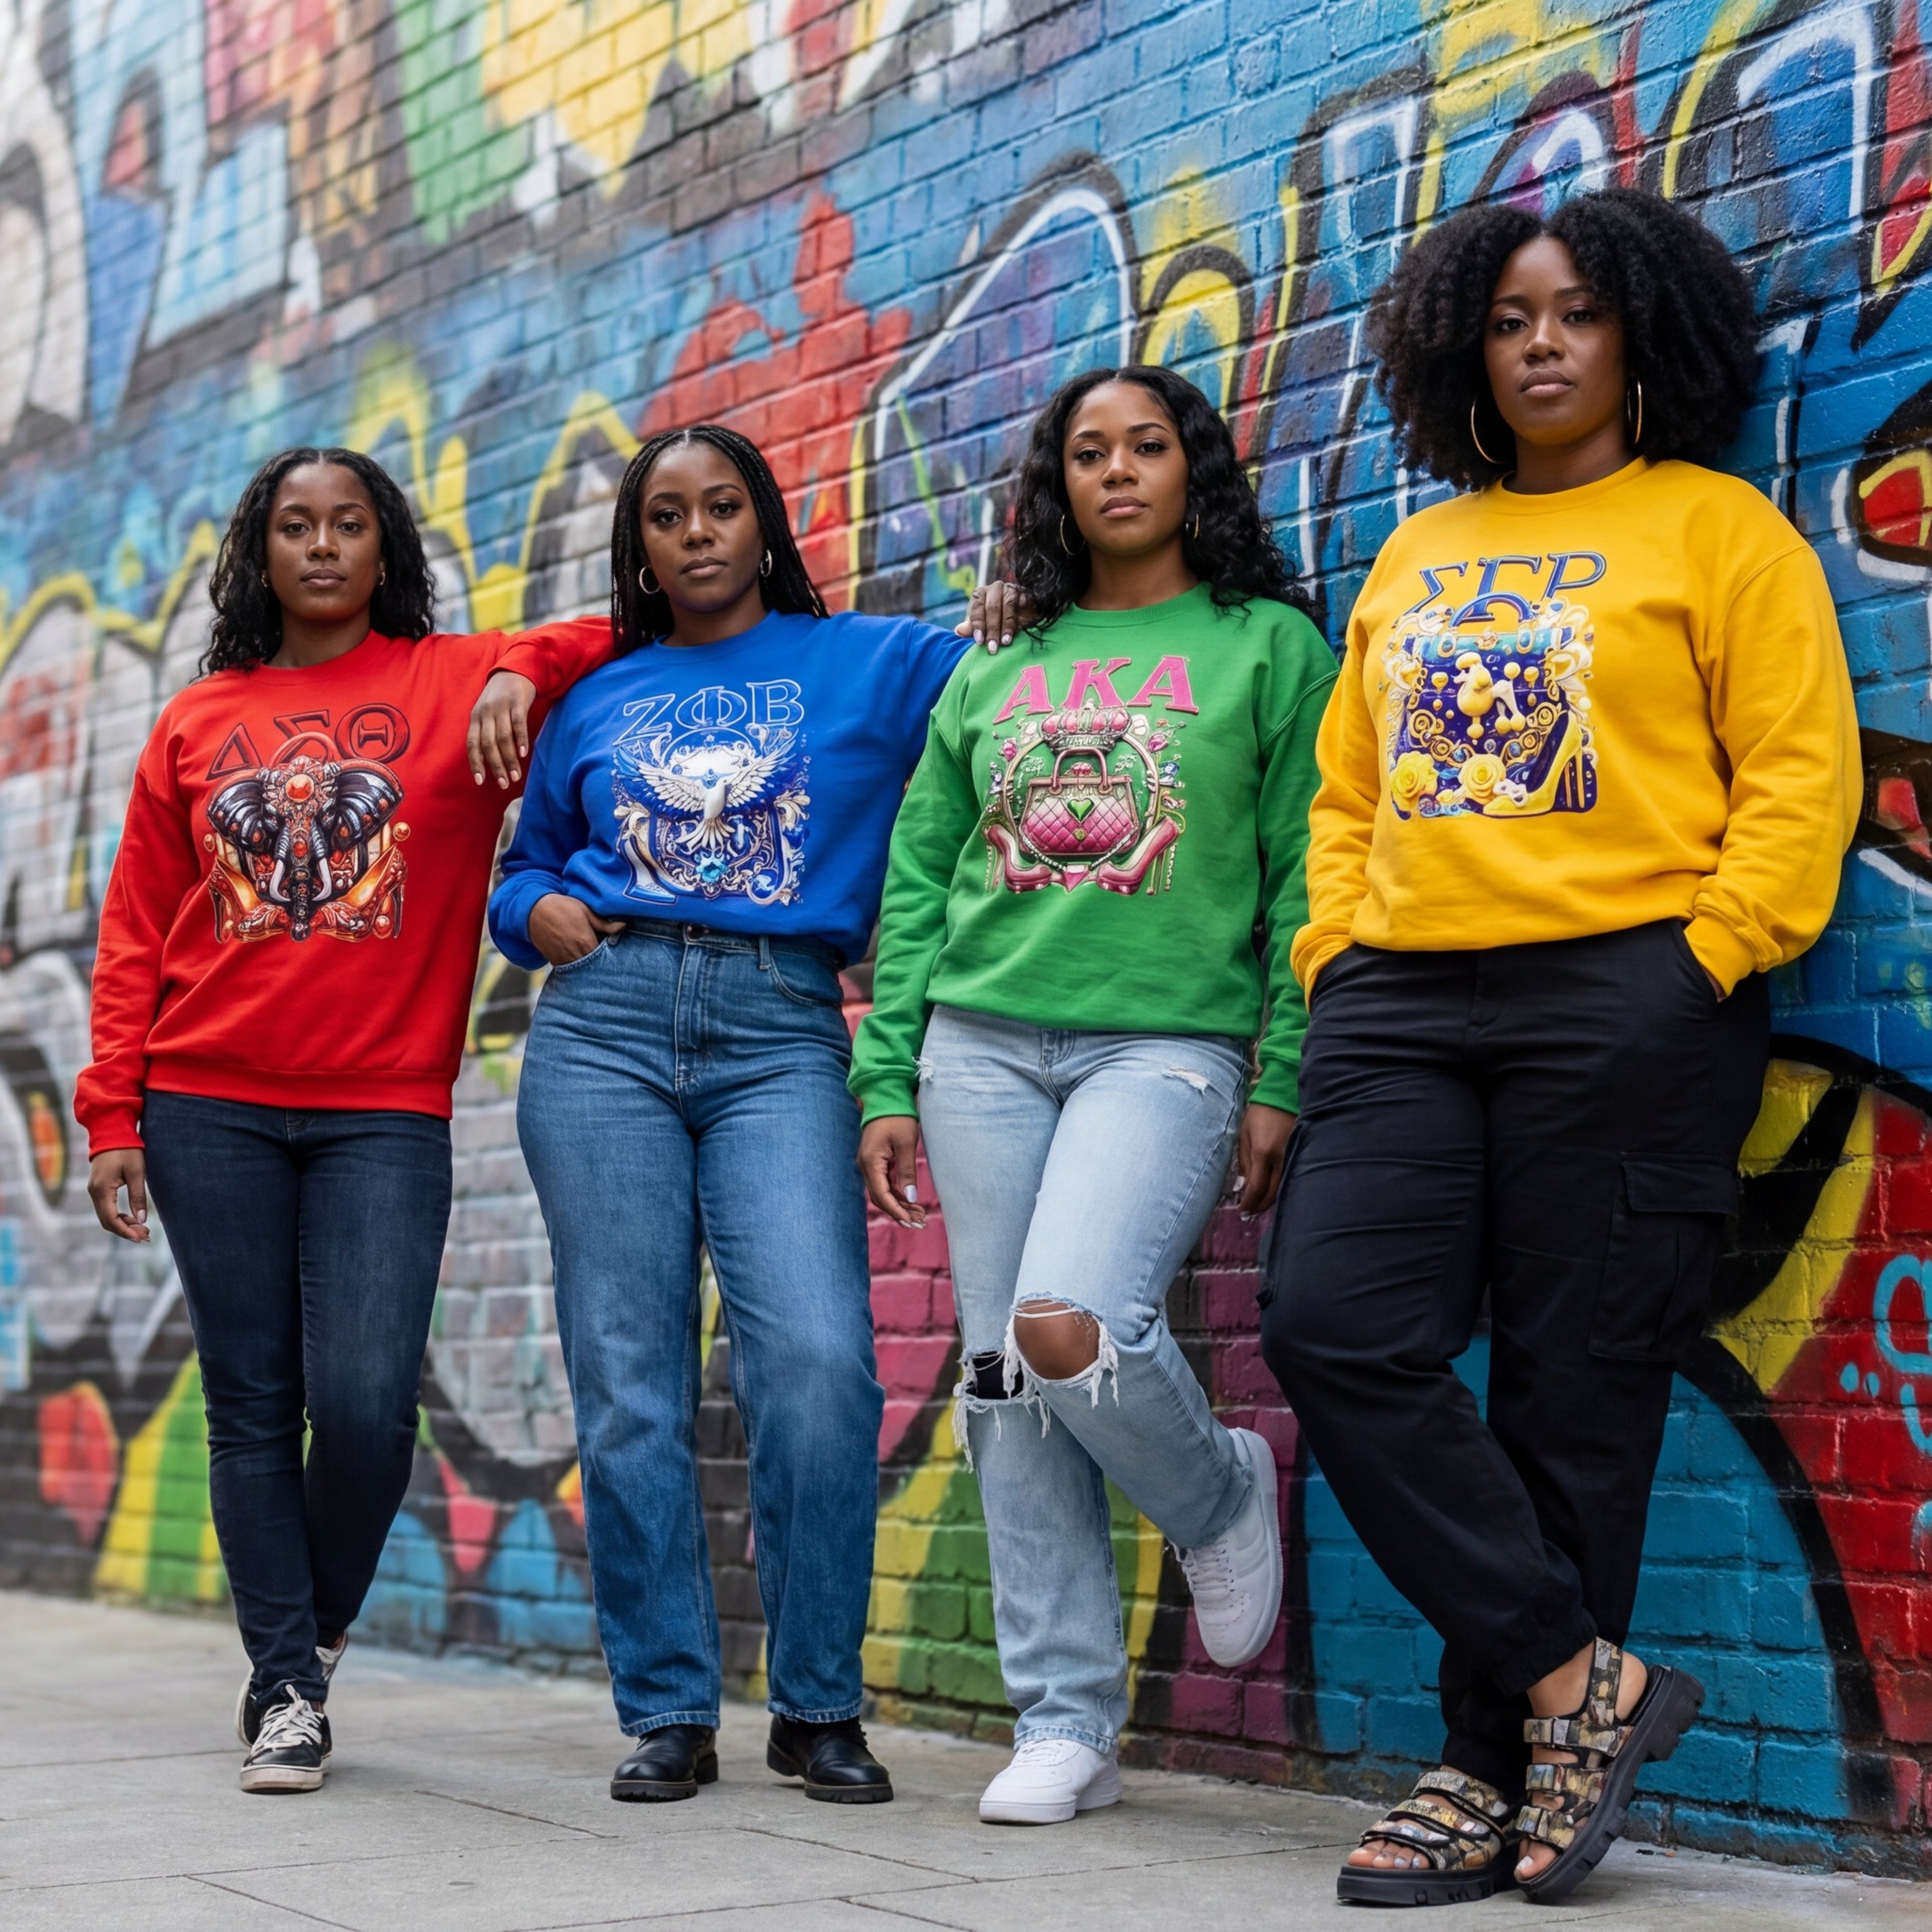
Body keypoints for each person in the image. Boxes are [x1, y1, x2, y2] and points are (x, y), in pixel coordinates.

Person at [1258, 189, 1860, 1905]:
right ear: (1468, 348)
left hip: (1631, 991)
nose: (1542, 345)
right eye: (1512, 318)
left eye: (1579, 313)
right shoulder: (1420, 553)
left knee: (1575, 1390)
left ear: (1642, 338)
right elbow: (1350, 792)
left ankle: (1489, 1769)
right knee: (1332, 1325)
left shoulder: (1720, 531)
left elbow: (1797, 773)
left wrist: (1703, 962)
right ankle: (1580, 1680)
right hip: (1402, 999)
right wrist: (1336, 953)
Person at [489, 424, 1023, 1807]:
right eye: (666, 516)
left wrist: (1021, 589)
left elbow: (1010, 679)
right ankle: (668, 1708)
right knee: (630, 1380)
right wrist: (535, 913)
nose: (698, 534)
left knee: (821, 1363)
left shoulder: (870, 661)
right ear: (641, 547)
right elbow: (524, 868)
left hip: (781, 1024)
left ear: (763, 521)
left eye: (721, 506)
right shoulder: (598, 694)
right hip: (602, 1027)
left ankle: (817, 1707)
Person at [78, 446, 614, 1793]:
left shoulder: (451, 684)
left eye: (349, 524)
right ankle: (285, 1689)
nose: (322, 546)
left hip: (381, 1108)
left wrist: (519, 670)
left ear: (386, 549)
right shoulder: (198, 720)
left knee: (370, 1405)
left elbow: (627, 623)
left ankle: (304, 1638)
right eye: (295, 526)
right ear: (259, 554)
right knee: (252, 1402)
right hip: (205, 1101)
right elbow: (135, 932)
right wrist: (111, 1114)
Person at [850, 365, 1336, 1828]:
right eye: (1088, 452)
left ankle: (1218, 1496)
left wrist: (1283, 1070)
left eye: (1148, 446)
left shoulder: (1268, 647)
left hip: (1166, 1045)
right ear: (1055, 484)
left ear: (1194, 468)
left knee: (1070, 1325)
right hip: (980, 1046)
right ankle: (1063, 1722)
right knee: (1005, 1385)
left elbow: (1310, 873)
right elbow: (922, 873)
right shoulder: (1002, 657)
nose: (1118, 470)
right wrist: (885, 1072)